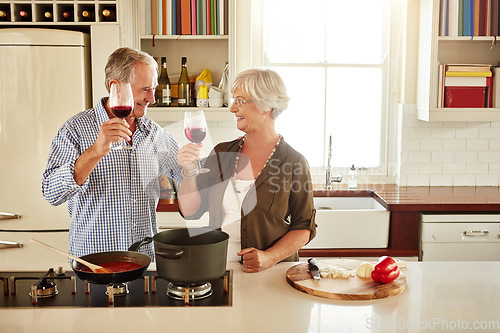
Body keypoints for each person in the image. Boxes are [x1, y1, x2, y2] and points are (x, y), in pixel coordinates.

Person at [42, 47, 184, 259]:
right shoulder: (76, 129)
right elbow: (51, 193)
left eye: (153, 89)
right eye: (145, 89)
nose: (152, 98)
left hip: (143, 264)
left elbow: (188, 175)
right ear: (115, 87)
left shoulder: (154, 133)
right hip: (94, 266)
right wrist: (95, 152)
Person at [177, 68, 316, 272]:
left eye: (240, 101)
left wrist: (269, 257)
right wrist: (188, 172)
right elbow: (191, 212)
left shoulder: (294, 162)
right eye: (233, 100)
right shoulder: (221, 152)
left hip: (272, 274)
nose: (232, 108)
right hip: (219, 269)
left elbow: (304, 227)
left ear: (265, 106)